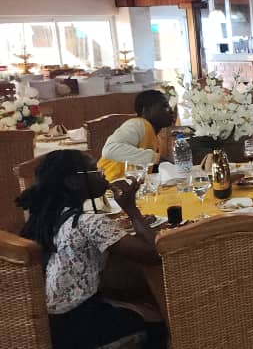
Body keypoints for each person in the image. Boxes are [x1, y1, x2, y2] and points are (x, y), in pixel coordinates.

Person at [17, 150, 164, 349]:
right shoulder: (89, 223)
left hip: (49, 326)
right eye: (94, 170)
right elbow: (154, 254)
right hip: (81, 330)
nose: (103, 174)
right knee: (159, 321)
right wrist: (131, 208)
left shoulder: (44, 219)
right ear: (73, 182)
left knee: (137, 305)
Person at [97, 90, 174, 180]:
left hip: (132, 185)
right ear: (146, 111)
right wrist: (156, 158)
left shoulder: (156, 137)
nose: (171, 110)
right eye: (165, 106)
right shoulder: (137, 124)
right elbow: (109, 150)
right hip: (110, 183)